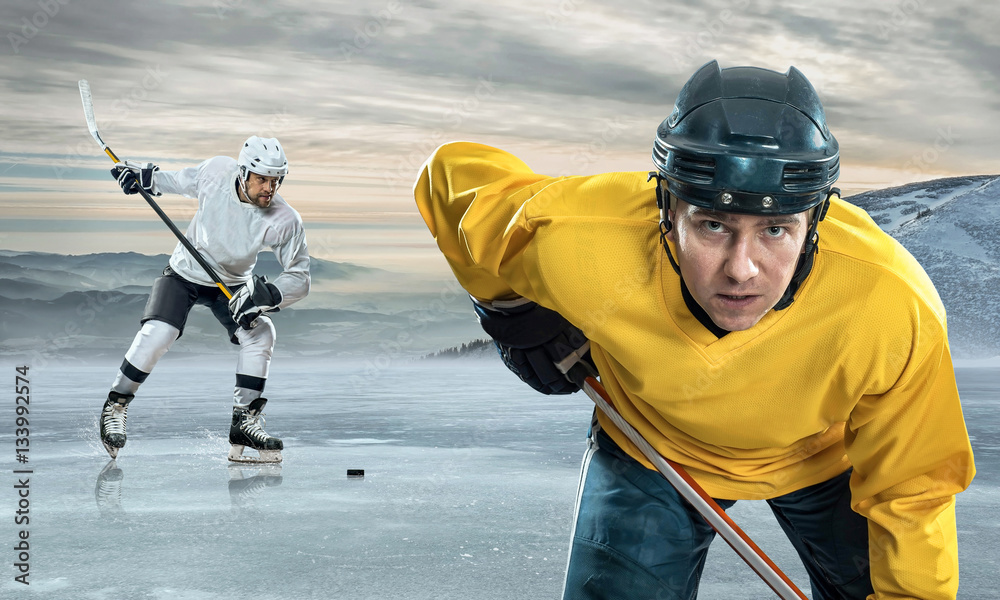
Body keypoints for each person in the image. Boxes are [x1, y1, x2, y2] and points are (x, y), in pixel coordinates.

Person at [414, 60, 975, 599]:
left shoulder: (891, 301)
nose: (741, 268)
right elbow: (449, 176)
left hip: (826, 459)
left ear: (815, 222)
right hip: (652, 444)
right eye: (712, 225)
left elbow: (915, 483)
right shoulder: (579, 234)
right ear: (665, 209)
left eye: (776, 230)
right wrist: (509, 310)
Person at [100, 135, 310, 464]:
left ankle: (243, 423)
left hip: (232, 286)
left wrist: (266, 295)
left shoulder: (284, 219)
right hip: (186, 272)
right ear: (243, 173)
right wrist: (144, 178)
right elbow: (177, 180)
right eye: (262, 180)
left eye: (275, 180)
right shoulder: (216, 172)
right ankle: (116, 404)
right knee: (161, 331)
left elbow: (300, 276)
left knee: (261, 333)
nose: (269, 188)